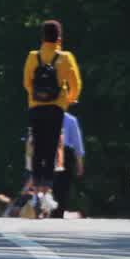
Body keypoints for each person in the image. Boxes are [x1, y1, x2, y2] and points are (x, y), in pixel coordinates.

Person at [22, 20, 81, 214]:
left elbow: (27, 83)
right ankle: (47, 191)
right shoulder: (65, 57)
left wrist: (37, 96)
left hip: (36, 108)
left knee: (37, 148)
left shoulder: (33, 56)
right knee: (51, 148)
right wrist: (68, 99)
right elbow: (76, 84)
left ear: (42, 37)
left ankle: (36, 192)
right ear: (59, 38)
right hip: (56, 109)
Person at [52, 111, 85, 218]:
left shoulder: (71, 120)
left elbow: (77, 143)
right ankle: (54, 210)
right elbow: (77, 143)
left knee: (61, 184)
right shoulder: (70, 120)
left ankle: (57, 211)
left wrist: (79, 163)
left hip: (63, 152)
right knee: (59, 185)